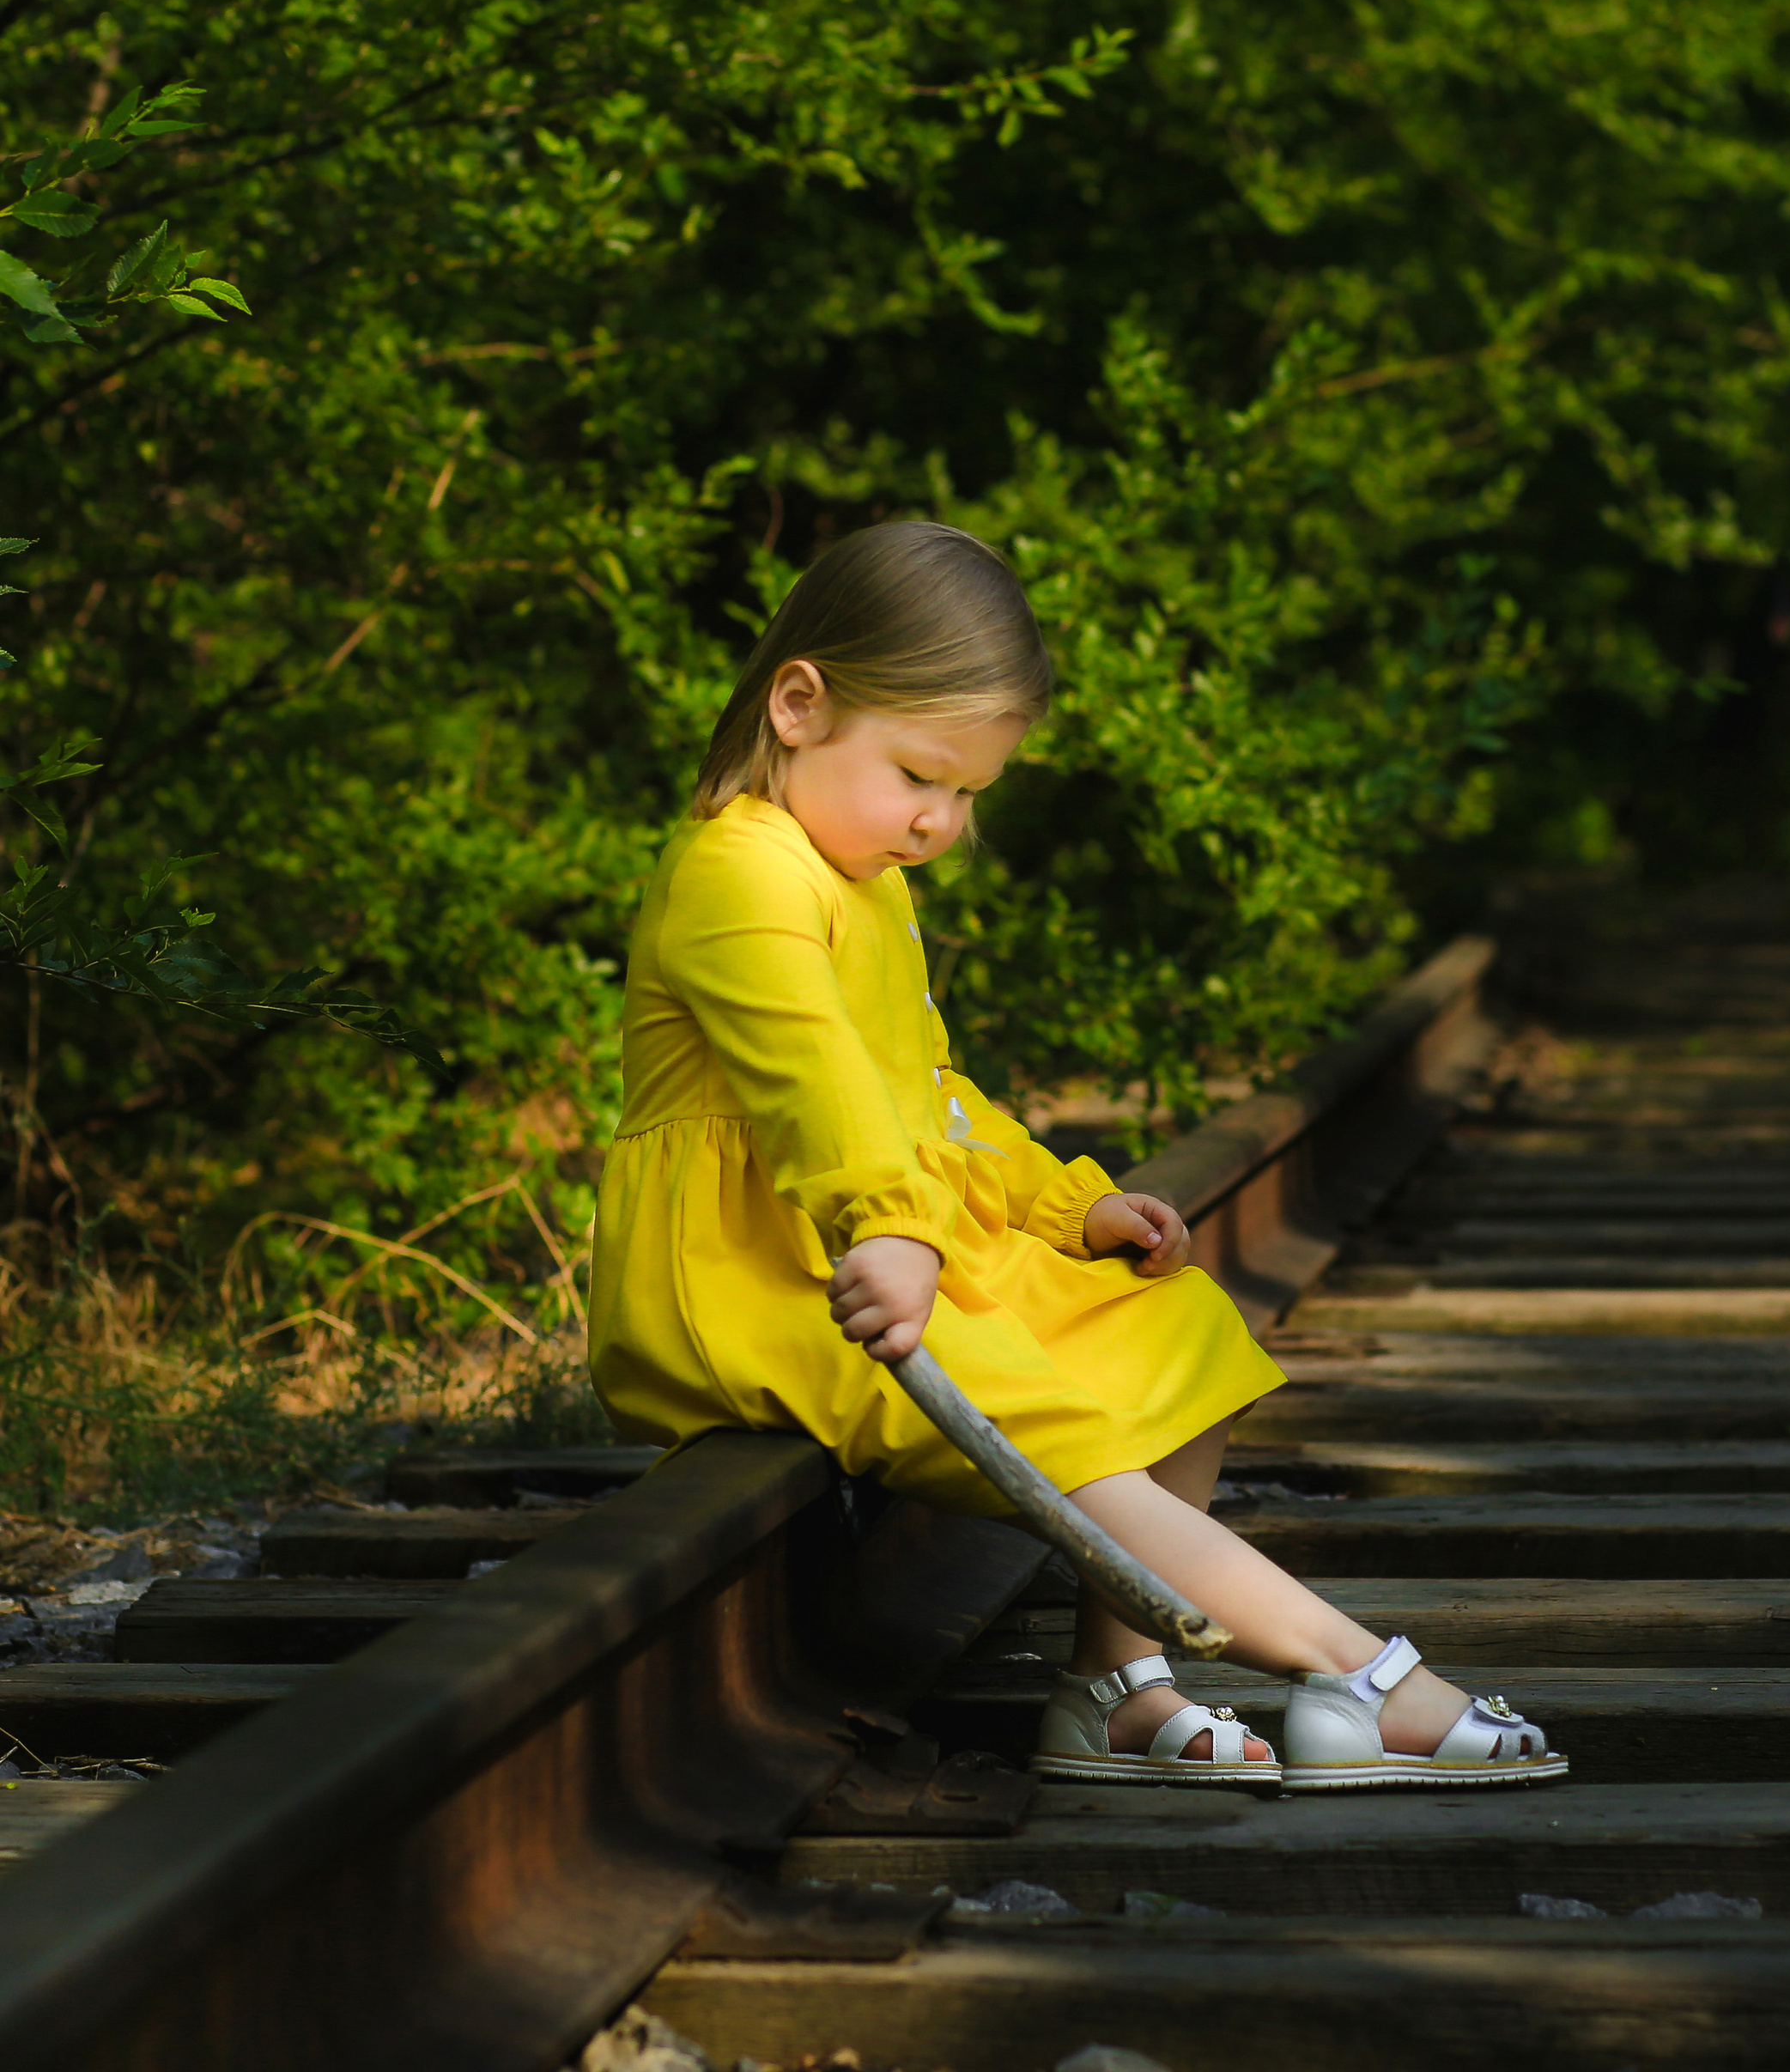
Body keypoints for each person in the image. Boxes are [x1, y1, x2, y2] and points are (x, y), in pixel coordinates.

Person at [589, 520, 1565, 1791]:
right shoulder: (738, 873)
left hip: (877, 1238)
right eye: (919, 775)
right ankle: (1350, 1671)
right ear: (797, 705)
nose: (939, 821)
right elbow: (809, 1077)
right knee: (1053, 1425)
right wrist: (889, 1221)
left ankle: (1117, 1688)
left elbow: (925, 1099)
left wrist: (1066, 1209)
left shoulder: (865, 878)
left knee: (1176, 1338)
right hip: (760, 1272)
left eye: (968, 795)